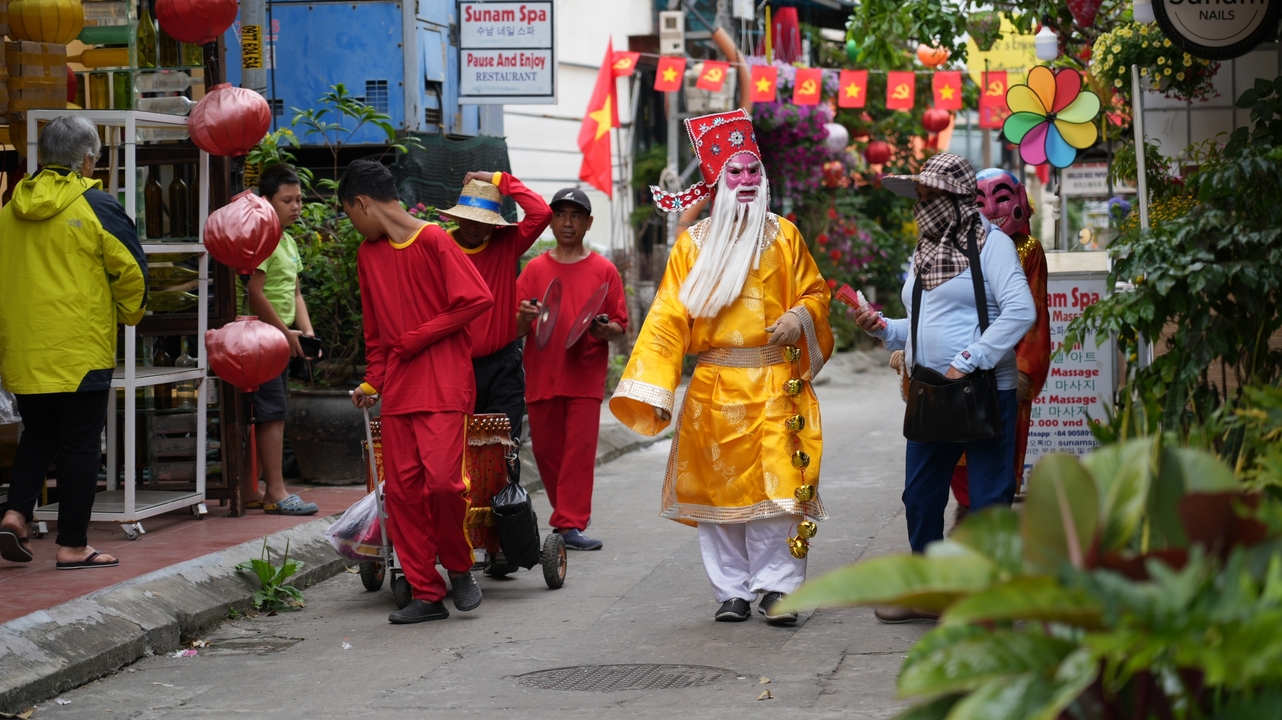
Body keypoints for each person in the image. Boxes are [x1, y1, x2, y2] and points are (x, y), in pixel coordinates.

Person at [610, 109, 834, 625]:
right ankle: (731, 592)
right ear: (718, 181)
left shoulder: (786, 236)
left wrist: (801, 316)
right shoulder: (691, 245)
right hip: (715, 385)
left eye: (753, 170)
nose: (747, 181)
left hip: (777, 381)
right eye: (736, 172)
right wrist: (652, 388)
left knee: (777, 491)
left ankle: (779, 589)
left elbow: (816, 292)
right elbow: (668, 316)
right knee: (719, 495)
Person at [855, 153, 1035, 624]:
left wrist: (968, 360)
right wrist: (882, 329)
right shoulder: (924, 254)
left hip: (982, 391)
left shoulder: (991, 245)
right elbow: (919, 324)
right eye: (920, 197)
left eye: (930, 196)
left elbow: (1021, 312)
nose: (922, 206)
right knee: (920, 496)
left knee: (989, 496)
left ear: (956, 199)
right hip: (931, 393)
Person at [342, 160, 494, 625]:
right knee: (403, 492)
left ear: (363, 203)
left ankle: (459, 566)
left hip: (444, 381)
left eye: (351, 214)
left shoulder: (433, 239)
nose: (354, 224)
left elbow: (477, 299)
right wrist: (373, 380)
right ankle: (426, 593)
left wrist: (417, 336)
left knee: (445, 484)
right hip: (400, 389)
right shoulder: (368, 255)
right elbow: (375, 330)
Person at [0, 116, 148, 568]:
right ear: (87, 160)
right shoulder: (96, 204)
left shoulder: (8, 210)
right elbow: (133, 273)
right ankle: (72, 544)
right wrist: (130, 315)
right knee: (82, 443)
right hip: (79, 347)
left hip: (25, 348)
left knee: (39, 434)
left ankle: (15, 513)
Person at [514, 188, 627, 551]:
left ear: (588, 223)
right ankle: (567, 516)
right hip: (541, 374)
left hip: (584, 374)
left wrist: (602, 329)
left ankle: (569, 524)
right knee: (547, 452)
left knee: (578, 452)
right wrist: (522, 317)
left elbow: (620, 327)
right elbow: (514, 328)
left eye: (575, 216)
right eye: (560, 214)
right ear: (551, 220)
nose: (567, 222)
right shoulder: (534, 269)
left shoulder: (604, 270)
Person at [948, 169, 1051, 529]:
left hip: (1005, 372)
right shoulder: (952, 247)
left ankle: (989, 530)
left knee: (998, 459)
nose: (991, 208)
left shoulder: (1028, 250)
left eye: (1002, 197)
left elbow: (1032, 313)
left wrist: (1024, 369)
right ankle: (969, 525)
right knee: (956, 453)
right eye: (978, 201)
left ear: (1020, 198)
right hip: (956, 370)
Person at [442, 172, 551, 484]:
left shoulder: (505, 243)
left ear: (494, 222)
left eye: (483, 219)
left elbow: (541, 212)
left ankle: (503, 525)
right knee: (458, 454)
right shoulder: (441, 246)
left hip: (503, 366)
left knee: (504, 451)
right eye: (469, 218)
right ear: (458, 215)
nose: (474, 226)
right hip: (456, 368)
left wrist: (498, 178)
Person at [238, 163, 319, 516]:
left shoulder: (286, 240)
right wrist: (286, 334)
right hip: (262, 340)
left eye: (299, 199)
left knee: (267, 412)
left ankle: (252, 488)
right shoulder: (263, 240)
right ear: (265, 201)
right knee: (272, 414)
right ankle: (276, 490)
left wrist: (308, 332)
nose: (296, 206)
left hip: (280, 338)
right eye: (287, 200)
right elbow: (255, 293)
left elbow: (296, 293)